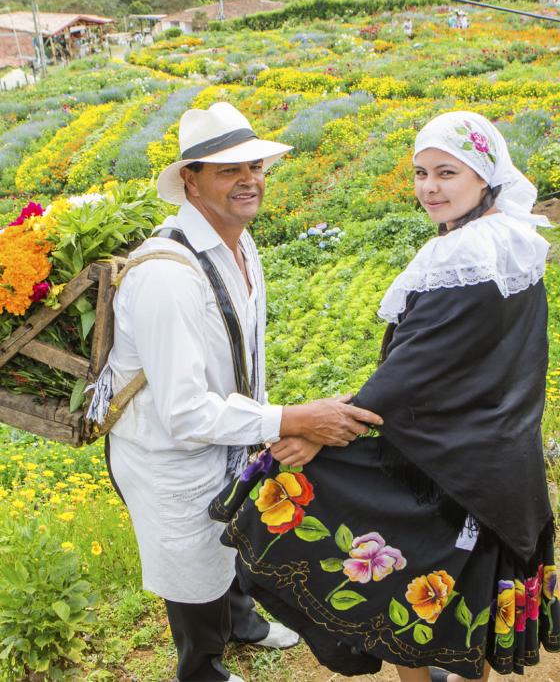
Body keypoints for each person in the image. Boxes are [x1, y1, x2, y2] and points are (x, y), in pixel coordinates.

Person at [217, 111, 560, 682]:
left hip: (451, 458)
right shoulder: (511, 240)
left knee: (317, 515)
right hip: (491, 446)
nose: (429, 187)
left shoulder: (470, 255)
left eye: (447, 172)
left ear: (484, 176)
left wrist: (320, 427)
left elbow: (412, 370)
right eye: (421, 173)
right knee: (435, 581)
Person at [88, 102, 383, 682]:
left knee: (235, 530)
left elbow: (247, 355)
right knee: (193, 562)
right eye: (228, 169)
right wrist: (290, 420)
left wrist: (263, 420)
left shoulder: (239, 246)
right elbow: (183, 413)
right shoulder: (168, 277)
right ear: (191, 181)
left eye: (255, 165)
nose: (249, 179)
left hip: (225, 434)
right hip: (169, 455)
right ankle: (202, 668)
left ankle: (244, 625)